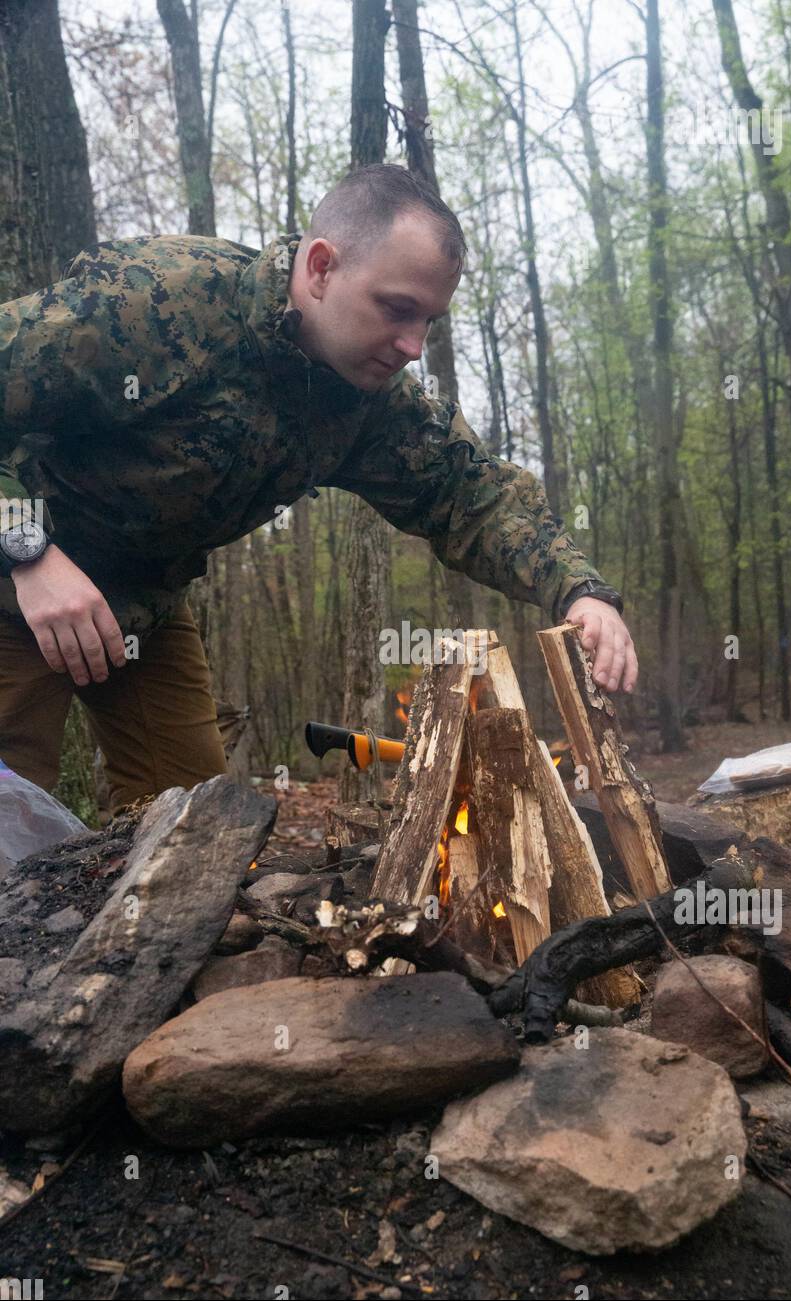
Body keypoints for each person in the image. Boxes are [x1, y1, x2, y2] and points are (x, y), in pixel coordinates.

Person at [0, 163, 638, 816]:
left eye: (430, 322)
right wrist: (28, 552)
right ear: (321, 267)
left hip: (144, 605)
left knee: (192, 830)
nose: (414, 346)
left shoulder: (366, 400)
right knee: (10, 826)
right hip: (17, 579)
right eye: (397, 309)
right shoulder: (157, 302)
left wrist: (580, 591)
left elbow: (469, 493)